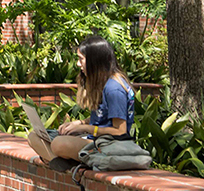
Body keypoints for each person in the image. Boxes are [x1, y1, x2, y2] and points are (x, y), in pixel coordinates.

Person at [26, 36, 136, 165]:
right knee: (34, 137)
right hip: (93, 139)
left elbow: (119, 131)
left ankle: (61, 161)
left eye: (81, 59)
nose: (78, 64)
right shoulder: (104, 83)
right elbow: (104, 117)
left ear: (95, 61)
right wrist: (78, 124)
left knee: (58, 144)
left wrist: (86, 128)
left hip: (109, 145)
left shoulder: (114, 89)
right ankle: (61, 162)